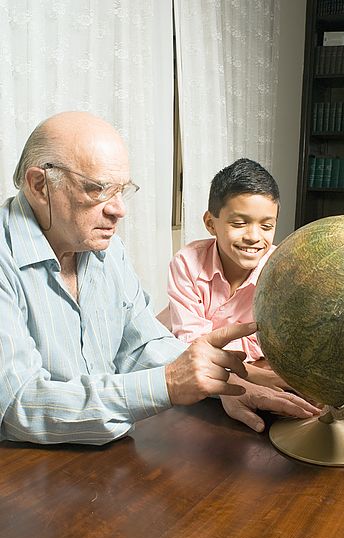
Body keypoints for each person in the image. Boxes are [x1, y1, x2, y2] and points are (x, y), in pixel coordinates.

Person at [0, 112, 318, 445]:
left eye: (122, 190)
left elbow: (141, 345)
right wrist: (166, 384)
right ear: (39, 185)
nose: (119, 210)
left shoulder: (107, 250)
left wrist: (223, 387)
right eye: (98, 190)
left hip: (111, 459)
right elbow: (17, 407)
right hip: (25, 468)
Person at [166, 158, 296, 394]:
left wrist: (214, 341)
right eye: (239, 223)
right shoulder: (187, 263)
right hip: (199, 378)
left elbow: (274, 345)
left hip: (243, 376)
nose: (254, 236)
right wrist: (252, 372)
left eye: (267, 226)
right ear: (210, 223)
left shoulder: (283, 270)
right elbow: (191, 345)